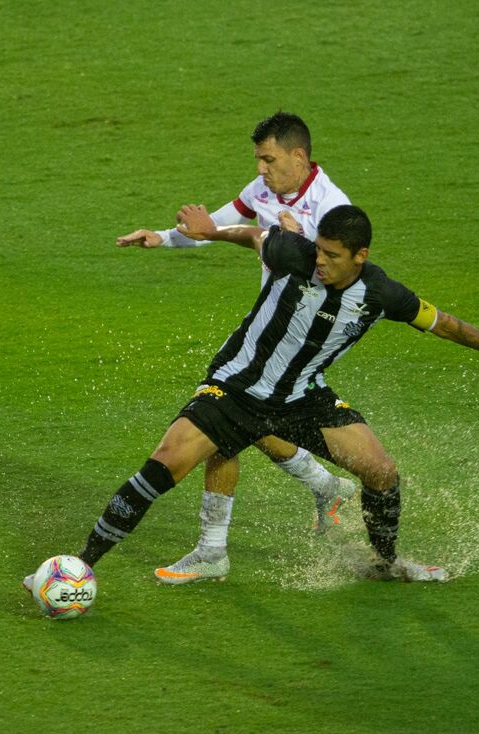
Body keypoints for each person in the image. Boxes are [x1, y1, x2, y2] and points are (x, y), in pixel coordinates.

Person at [25, 204, 479, 589]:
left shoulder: (383, 294)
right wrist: (210, 232)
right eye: (318, 250)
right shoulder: (295, 254)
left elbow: (445, 323)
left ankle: (386, 564)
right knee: (164, 465)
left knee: (381, 471)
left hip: (303, 400)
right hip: (235, 389)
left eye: (333, 256)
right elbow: (254, 237)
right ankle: (78, 566)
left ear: (360, 257)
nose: (320, 261)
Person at [116, 112, 357, 584]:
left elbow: (333, 276)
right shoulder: (261, 191)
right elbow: (216, 227)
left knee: (221, 412)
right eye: (258, 160)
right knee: (240, 418)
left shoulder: (333, 210)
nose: (262, 169)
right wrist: (162, 238)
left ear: (299, 156)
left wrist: (292, 238)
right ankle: (325, 488)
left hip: (304, 334)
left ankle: (215, 551)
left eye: (269, 160)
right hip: (269, 329)